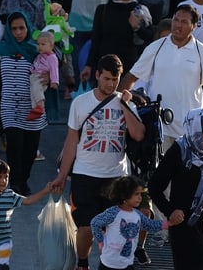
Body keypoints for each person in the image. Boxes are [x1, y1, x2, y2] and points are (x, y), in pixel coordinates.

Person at [51, 54, 145, 270]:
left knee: (115, 231)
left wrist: (125, 106)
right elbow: (71, 141)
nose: (111, 84)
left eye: (115, 79)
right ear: (97, 76)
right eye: (106, 79)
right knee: (85, 228)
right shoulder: (80, 103)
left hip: (116, 178)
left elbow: (138, 134)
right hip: (85, 175)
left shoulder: (125, 102)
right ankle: (83, 263)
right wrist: (62, 175)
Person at [118, 4, 203, 151]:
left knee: (187, 173)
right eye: (176, 20)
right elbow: (132, 76)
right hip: (160, 129)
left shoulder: (201, 51)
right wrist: (116, 101)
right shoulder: (156, 47)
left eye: (184, 22)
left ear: (194, 26)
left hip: (190, 131)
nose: (178, 25)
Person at [148, 107, 203, 270]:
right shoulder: (179, 150)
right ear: (197, 127)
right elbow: (154, 186)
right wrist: (170, 211)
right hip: (183, 226)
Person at [0, 12, 49, 196]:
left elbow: (47, 73)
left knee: (31, 149)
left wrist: (48, 79)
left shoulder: (36, 50)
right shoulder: (1, 50)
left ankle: (23, 178)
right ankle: (16, 182)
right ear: (9, 29)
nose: (18, 32)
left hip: (32, 107)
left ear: (28, 28)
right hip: (9, 106)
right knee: (14, 146)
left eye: (21, 28)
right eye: (14, 28)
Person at [0, 158, 54, 270]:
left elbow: (28, 201)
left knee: (3, 267)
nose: (3, 180)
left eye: (6, 177)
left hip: (4, 240)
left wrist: (44, 191)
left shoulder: (10, 195)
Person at [90, 175, 178, 270]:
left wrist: (169, 223)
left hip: (127, 263)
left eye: (141, 194)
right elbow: (95, 223)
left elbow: (150, 225)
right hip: (108, 264)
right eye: (136, 194)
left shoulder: (137, 215)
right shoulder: (113, 213)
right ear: (124, 195)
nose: (140, 198)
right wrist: (101, 242)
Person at [80, 0, 153, 82]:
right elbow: (96, 40)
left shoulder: (139, 11)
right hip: (105, 68)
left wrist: (137, 28)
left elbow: (150, 37)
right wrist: (89, 65)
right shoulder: (103, 10)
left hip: (130, 69)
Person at [27, 31, 59, 121]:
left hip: (41, 77)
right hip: (34, 76)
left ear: (51, 46)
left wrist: (54, 81)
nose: (39, 46)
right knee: (33, 92)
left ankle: (41, 106)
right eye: (38, 44)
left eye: (43, 44)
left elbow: (54, 70)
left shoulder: (52, 57)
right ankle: (35, 110)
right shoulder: (40, 55)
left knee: (36, 89)